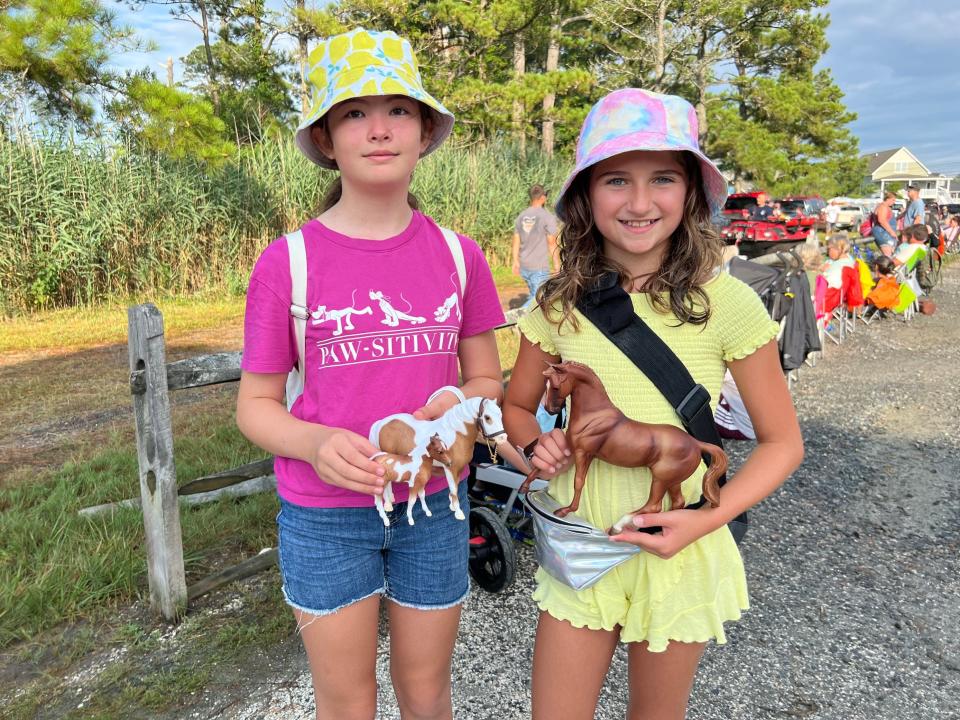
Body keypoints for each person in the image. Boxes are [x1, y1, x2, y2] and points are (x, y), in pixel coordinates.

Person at [501, 88, 804, 720]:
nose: (639, 203)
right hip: (581, 547)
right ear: (585, 196)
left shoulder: (730, 304)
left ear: (691, 192)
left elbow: (783, 443)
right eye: (616, 180)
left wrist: (705, 520)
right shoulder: (556, 303)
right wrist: (536, 446)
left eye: (662, 178)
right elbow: (517, 409)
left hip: (681, 545)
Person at [235, 28, 505, 720]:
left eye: (399, 110)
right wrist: (315, 445)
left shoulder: (459, 256)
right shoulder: (286, 262)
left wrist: (449, 412)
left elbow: (485, 383)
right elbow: (257, 406)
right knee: (347, 700)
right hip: (324, 520)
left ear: (424, 132)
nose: (379, 129)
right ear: (326, 139)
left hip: (435, 510)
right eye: (355, 112)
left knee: (426, 692)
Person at [511, 184, 560, 308]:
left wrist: (515, 261)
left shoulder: (521, 216)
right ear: (543, 197)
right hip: (538, 266)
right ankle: (518, 319)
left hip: (524, 265)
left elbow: (516, 240)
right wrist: (557, 265)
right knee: (537, 298)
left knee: (534, 293)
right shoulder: (547, 217)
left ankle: (527, 323)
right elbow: (552, 242)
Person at [871, 191, 899, 257]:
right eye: (893, 200)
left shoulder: (886, 207)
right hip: (882, 233)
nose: (894, 202)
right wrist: (892, 232)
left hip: (885, 233)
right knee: (888, 256)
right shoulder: (883, 207)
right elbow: (882, 220)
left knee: (890, 255)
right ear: (887, 199)